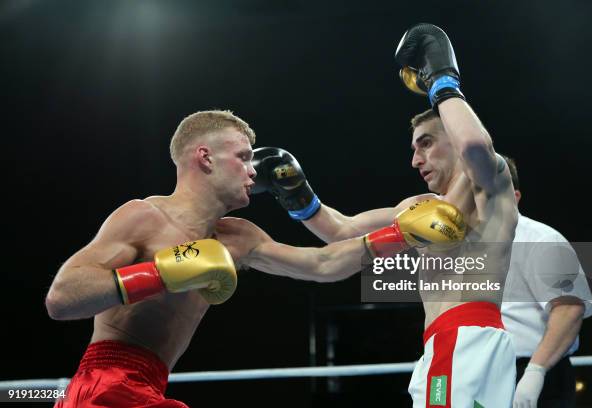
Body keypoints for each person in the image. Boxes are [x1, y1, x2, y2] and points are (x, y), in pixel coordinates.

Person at [46, 109, 465, 408]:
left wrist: (397, 234)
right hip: (104, 385)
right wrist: (161, 272)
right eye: (243, 157)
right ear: (205, 158)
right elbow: (62, 299)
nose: (254, 170)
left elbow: (322, 265)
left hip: (151, 387)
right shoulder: (144, 217)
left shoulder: (238, 238)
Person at [251, 23, 519, 407]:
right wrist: (295, 192)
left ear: (452, 137)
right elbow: (339, 231)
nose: (416, 160)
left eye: (425, 144)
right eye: (413, 149)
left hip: (467, 338)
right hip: (445, 344)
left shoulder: (491, 183)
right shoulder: (416, 207)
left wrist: (442, 80)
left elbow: (475, 144)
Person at [500, 156, 592, 408]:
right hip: (483, 373)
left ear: (515, 197)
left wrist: (536, 371)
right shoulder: (468, 248)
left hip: (537, 371)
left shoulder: (542, 239)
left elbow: (569, 308)